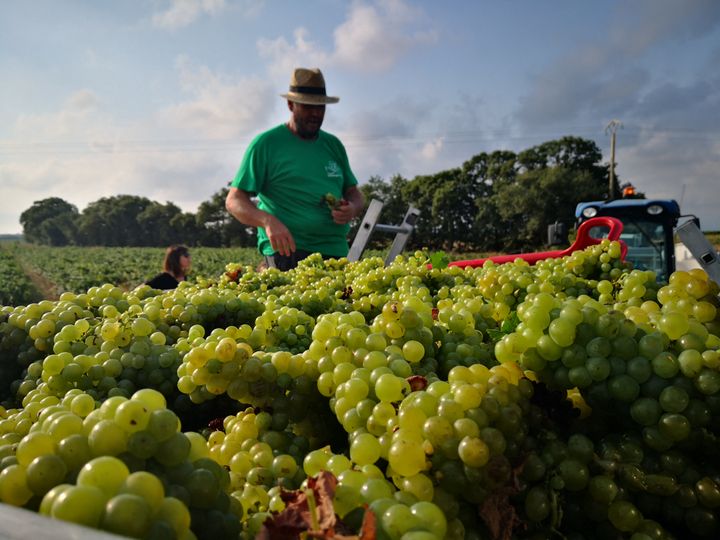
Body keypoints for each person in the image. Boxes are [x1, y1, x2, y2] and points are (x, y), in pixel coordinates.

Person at [225, 67, 365, 271]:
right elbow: (234, 200)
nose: (316, 114)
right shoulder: (267, 144)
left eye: (321, 107)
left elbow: (354, 193)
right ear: (291, 104)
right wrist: (267, 221)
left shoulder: (333, 145)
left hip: (336, 253)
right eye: (308, 107)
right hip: (287, 254)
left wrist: (352, 208)